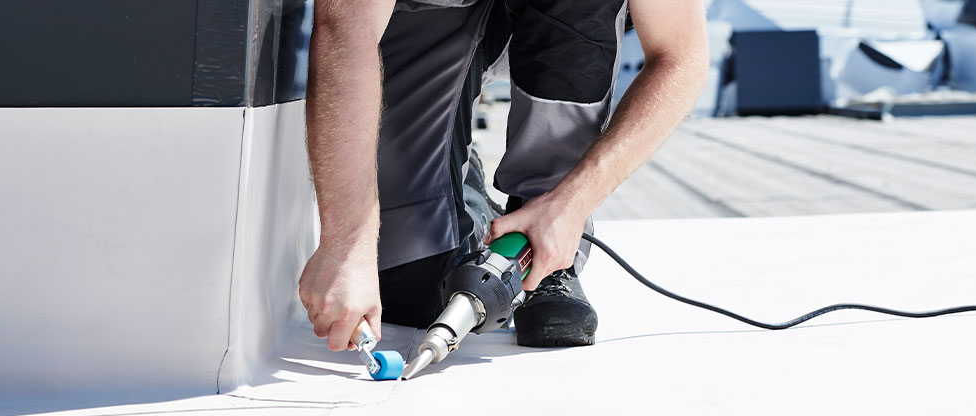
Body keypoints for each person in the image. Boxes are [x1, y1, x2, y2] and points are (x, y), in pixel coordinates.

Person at [298, 0, 708, 352]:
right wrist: (348, 242)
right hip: (433, 18)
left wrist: (571, 202)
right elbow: (345, 21)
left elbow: (680, 54)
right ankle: (464, 193)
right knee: (414, 285)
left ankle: (545, 245)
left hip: (561, 30)